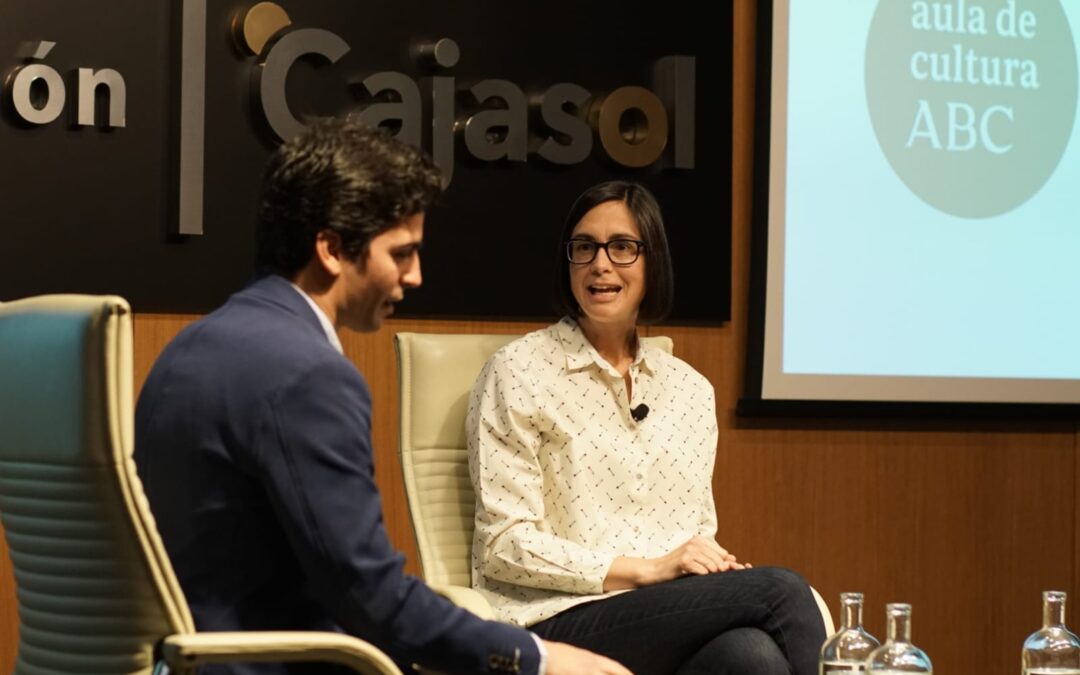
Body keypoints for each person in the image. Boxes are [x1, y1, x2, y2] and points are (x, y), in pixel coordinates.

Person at [134, 117, 631, 675]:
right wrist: (540, 658)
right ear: (332, 249)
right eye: (401, 253)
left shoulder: (188, 349)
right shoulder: (308, 377)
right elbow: (372, 601)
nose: (415, 275)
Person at [467, 181, 826, 675]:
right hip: (553, 619)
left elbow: (697, 532)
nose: (600, 264)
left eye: (622, 247)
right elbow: (502, 546)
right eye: (584, 247)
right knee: (783, 592)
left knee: (751, 656)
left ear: (651, 261)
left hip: (664, 618)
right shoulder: (519, 371)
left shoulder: (690, 391)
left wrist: (713, 569)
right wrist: (648, 571)